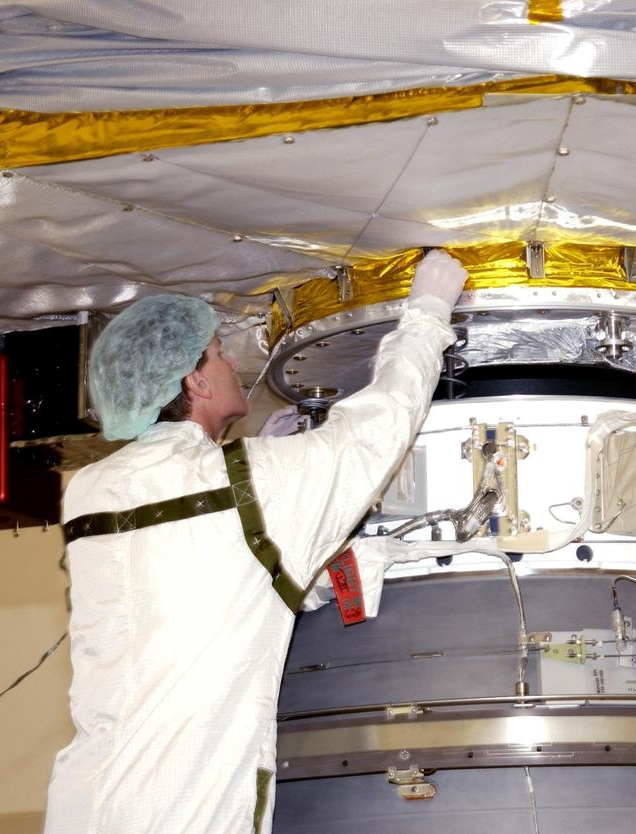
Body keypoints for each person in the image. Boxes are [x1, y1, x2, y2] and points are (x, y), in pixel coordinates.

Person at [44, 251, 469, 834]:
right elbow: (377, 427)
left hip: (83, 806)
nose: (232, 366)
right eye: (220, 356)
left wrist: (315, 552)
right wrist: (426, 312)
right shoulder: (249, 481)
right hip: (182, 810)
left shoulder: (90, 491)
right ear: (194, 380)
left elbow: (188, 584)